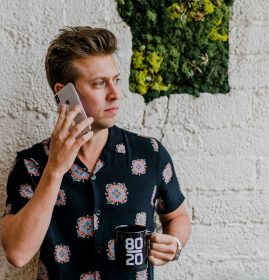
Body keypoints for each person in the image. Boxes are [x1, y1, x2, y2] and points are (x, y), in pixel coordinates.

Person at [1, 26, 191, 280]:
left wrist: (174, 243)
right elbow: (18, 253)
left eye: (115, 80)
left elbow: (177, 215)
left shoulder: (150, 153)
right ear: (65, 94)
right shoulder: (32, 164)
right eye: (100, 83)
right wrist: (55, 170)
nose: (115, 94)